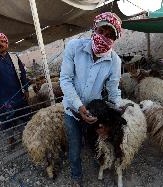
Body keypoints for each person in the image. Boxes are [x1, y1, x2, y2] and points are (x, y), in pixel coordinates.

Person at [59, 12, 122, 187]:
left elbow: (113, 90)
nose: (105, 37)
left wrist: (118, 112)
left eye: (110, 35)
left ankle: (98, 164)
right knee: (74, 146)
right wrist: (79, 107)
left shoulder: (114, 61)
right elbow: (65, 79)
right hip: (72, 110)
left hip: (94, 113)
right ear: (94, 28)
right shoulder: (74, 47)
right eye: (102, 31)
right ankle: (76, 176)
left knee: (95, 142)